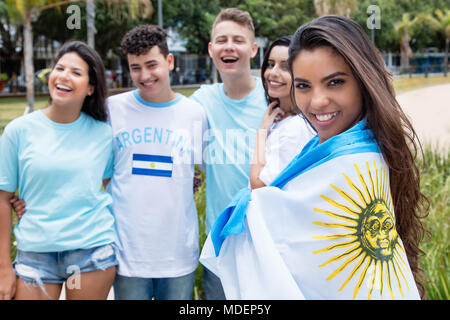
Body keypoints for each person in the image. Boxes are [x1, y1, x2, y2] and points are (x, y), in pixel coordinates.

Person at [200, 15, 427, 300]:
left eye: (335, 82)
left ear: (363, 79)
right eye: (304, 86)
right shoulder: (357, 145)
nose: (317, 101)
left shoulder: (354, 162)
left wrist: (248, 208)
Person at [0, 41, 117, 300]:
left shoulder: (104, 134)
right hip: (35, 253)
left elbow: (113, 185)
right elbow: (2, 198)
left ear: (90, 87)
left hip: (92, 251)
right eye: (59, 68)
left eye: (76, 72)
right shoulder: (18, 131)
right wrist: (3, 268)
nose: (64, 76)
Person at [106, 25, 207, 300]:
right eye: (135, 67)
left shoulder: (194, 114)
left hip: (177, 255)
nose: (145, 75)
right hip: (128, 254)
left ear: (170, 61)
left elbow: (210, 169)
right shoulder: (113, 109)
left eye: (152, 65)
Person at [190, 8, 267, 299]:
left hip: (264, 238)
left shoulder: (272, 98)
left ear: (253, 48)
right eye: (221, 40)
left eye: (238, 39)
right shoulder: (200, 101)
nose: (229, 46)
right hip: (221, 240)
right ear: (211, 49)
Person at [250, 35, 315, 189]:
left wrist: (261, 133)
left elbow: (258, 186)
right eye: (270, 64)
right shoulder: (279, 117)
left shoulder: (297, 127)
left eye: (285, 67)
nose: (273, 73)